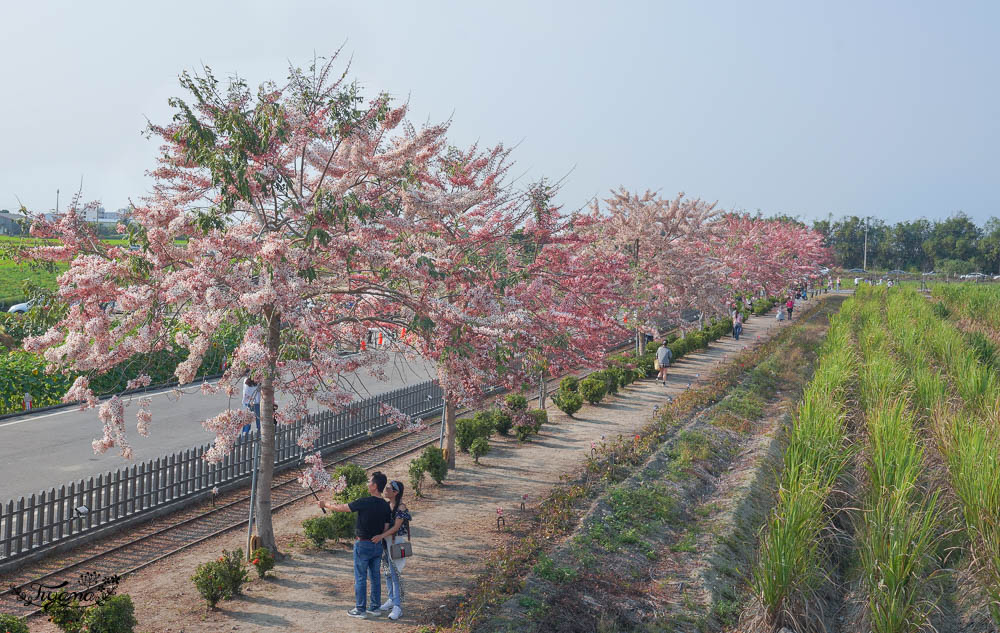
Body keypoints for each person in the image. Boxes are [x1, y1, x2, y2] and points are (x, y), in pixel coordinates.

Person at [318, 471, 392, 619]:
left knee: (360, 577)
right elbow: (386, 527)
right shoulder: (385, 505)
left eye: (370, 482)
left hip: (363, 544)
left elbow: (342, 508)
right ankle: (375, 607)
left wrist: (325, 504)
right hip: (377, 545)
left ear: (375, 486)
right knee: (375, 577)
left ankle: (360, 609)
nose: (368, 484)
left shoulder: (364, 501)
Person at [374, 480, 411, 621]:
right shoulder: (386, 505)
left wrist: (380, 536)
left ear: (395, 492)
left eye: (388, 488)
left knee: (395, 576)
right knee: (388, 574)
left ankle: (398, 606)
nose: (385, 490)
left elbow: (396, 527)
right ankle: (391, 599)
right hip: (386, 543)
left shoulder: (401, 507)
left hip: (396, 543)